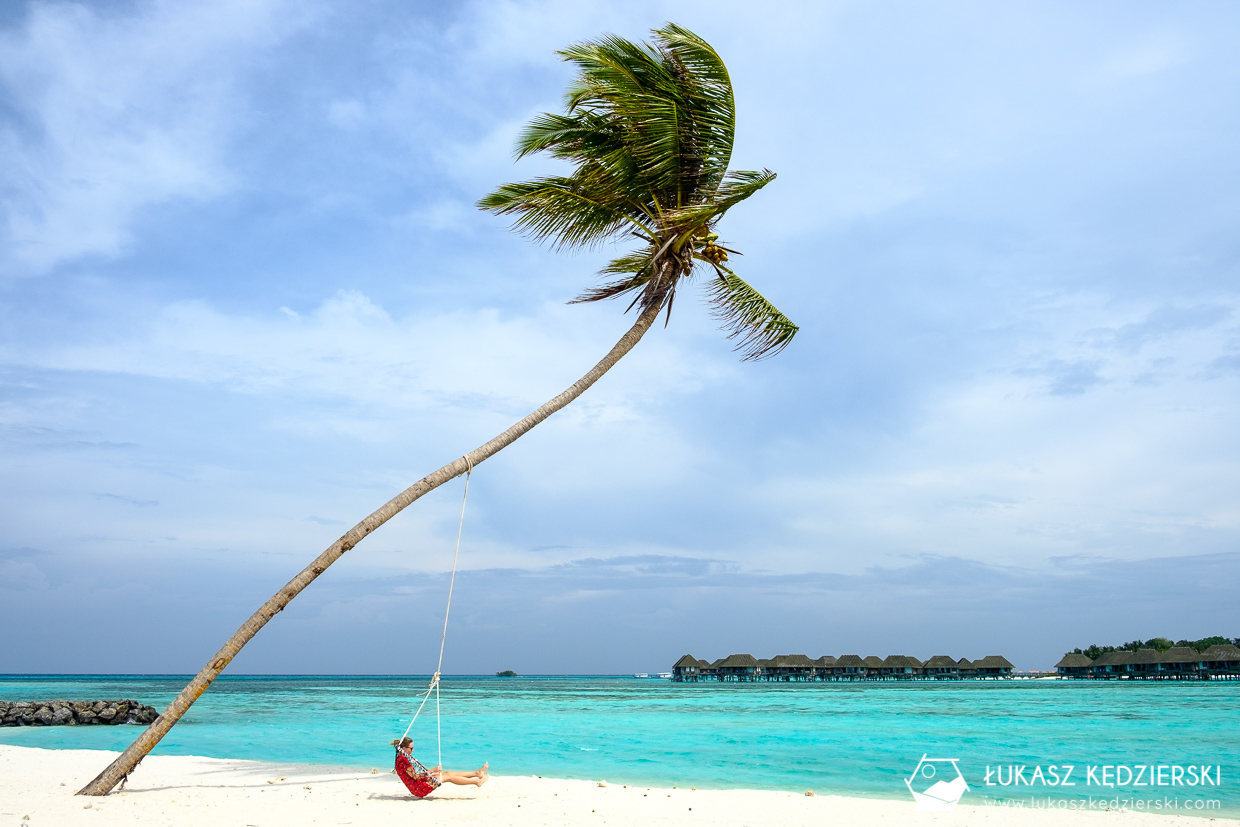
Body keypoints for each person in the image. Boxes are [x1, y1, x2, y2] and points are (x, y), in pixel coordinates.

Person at [390, 737, 488, 798]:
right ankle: (476, 782)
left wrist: (430, 774)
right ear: (403, 749)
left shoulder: (402, 758)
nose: (413, 750)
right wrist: (433, 770)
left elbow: (414, 776)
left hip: (419, 783)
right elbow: (415, 776)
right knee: (448, 777)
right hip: (418, 789)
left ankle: (476, 773)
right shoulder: (403, 762)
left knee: (448, 773)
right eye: (411, 748)